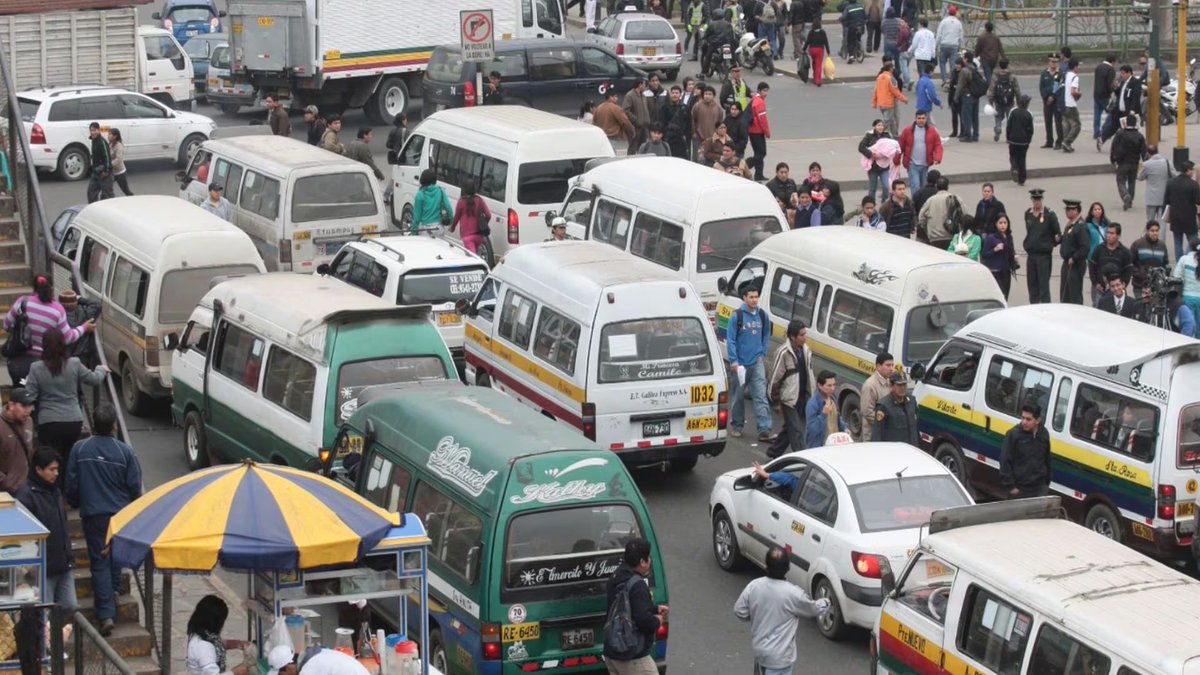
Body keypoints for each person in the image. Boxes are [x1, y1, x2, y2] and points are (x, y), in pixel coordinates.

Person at [65, 404, 142, 637]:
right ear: (113, 426)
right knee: (116, 556)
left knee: (99, 562)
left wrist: (77, 501)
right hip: (118, 515)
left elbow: (71, 483)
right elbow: (134, 487)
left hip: (94, 515)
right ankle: (115, 590)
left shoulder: (80, 449)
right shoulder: (124, 452)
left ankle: (106, 613)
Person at [733, 545, 829, 675]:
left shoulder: (754, 586)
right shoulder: (793, 594)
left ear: (767, 565)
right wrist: (826, 602)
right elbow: (812, 609)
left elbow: (739, 610)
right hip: (780, 660)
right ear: (787, 568)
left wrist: (756, 617)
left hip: (761, 655)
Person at [25, 327, 109, 471]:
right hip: (73, 420)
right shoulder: (74, 363)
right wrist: (101, 369)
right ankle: (67, 487)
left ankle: (53, 488)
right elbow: (95, 380)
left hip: (48, 421)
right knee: (69, 459)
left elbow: (29, 395)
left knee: (49, 461)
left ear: (43, 345)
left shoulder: (36, 368)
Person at [15, 448, 75, 617]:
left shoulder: (55, 491)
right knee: (44, 614)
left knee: (69, 605)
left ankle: (56, 639)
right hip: (42, 568)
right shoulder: (26, 496)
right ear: (38, 470)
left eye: (57, 469)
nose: (56, 474)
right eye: (51, 469)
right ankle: (47, 642)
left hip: (63, 564)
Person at [4, 275, 94, 386]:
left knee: (21, 395)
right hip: (43, 365)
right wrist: (84, 328)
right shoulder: (57, 310)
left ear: (34, 287)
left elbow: (6, 325)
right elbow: (68, 338)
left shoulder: (22, 302)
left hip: (17, 362)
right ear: (51, 288)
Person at [604, 538, 667, 675]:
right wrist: (657, 620)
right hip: (632, 657)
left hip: (612, 653)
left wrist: (654, 609)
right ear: (642, 562)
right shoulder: (637, 585)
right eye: (649, 557)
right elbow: (644, 621)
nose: (650, 560)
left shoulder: (615, 577)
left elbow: (626, 608)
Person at [727, 283, 774, 441]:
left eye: (756, 297)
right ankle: (737, 426)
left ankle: (764, 429)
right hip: (740, 366)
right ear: (744, 298)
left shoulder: (762, 316)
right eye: (751, 297)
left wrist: (762, 353)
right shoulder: (737, 316)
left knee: (760, 396)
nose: (754, 300)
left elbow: (766, 334)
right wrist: (734, 361)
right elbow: (731, 340)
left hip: (757, 363)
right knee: (738, 397)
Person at [768, 320, 816, 458]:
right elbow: (774, 380)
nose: (804, 337)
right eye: (801, 335)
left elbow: (809, 373)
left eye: (805, 334)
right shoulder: (783, 353)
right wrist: (776, 402)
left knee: (789, 429)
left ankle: (773, 452)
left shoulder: (806, 350)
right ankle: (802, 460)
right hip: (789, 399)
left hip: (803, 396)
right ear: (792, 337)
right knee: (797, 431)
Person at [186, 595, 251, 675]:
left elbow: (216, 644)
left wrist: (236, 644)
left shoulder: (200, 633)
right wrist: (235, 672)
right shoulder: (203, 647)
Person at [1000, 403, 1052, 499]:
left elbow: (1047, 459)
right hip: (1020, 489)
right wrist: (1011, 487)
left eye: (1028, 419)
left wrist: (1046, 483)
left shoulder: (1044, 434)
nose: (1024, 422)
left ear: (1037, 420)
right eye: (1023, 418)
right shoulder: (1013, 435)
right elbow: (1005, 461)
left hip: (1039, 488)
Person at [1023, 188, 1061, 303]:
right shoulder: (1028, 214)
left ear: (1042, 199)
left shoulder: (1050, 214)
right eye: (1034, 199)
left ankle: (1045, 309)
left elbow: (1057, 233)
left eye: (1038, 199)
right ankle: (1033, 307)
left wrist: (1055, 240)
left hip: (1043, 256)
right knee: (1032, 285)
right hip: (1031, 255)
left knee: (1043, 286)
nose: (1036, 202)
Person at [898, 109, 942, 193]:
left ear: (926, 119)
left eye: (923, 118)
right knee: (915, 186)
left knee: (924, 187)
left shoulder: (932, 131)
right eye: (919, 118)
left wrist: (938, 157)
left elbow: (938, 145)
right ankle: (915, 205)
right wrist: (897, 160)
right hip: (912, 164)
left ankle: (922, 204)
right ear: (915, 119)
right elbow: (900, 146)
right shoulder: (908, 130)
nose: (921, 120)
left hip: (925, 164)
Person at [0, 389, 34, 495]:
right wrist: (7, 483)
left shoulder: (29, 422)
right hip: (6, 490)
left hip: (27, 487)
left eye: (30, 405)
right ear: (11, 405)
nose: (28, 410)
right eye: (23, 406)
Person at [1164, 160, 1200, 261]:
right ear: (1188, 170)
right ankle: (1187, 257)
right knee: (1194, 240)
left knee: (1177, 242)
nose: (1193, 172)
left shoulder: (1171, 182)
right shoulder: (1193, 185)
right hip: (1189, 217)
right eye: (1192, 169)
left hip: (1175, 217)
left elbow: (1166, 200)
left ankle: (1179, 262)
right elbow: (1198, 201)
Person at [1110, 115, 1147, 211]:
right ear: (1135, 123)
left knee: (1120, 181)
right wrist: (1145, 163)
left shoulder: (1120, 134)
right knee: (1132, 181)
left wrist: (1113, 158)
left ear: (1126, 122)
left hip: (1122, 162)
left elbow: (1114, 146)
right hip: (1134, 163)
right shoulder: (1139, 136)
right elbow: (1144, 151)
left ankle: (1125, 195)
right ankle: (1130, 200)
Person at [872, 372, 918, 445]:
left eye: (904, 384)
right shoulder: (883, 406)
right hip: (893, 451)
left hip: (911, 449)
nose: (903, 388)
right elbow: (877, 433)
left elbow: (915, 427)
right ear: (891, 386)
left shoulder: (912, 401)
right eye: (899, 385)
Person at [804, 370, 846, 448]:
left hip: (834, 444)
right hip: (820, 447)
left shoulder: (833, 399)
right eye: (829, 385)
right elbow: (811, 430)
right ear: (820, 386)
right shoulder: (812, 404)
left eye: (834, 385)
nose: (833, 388)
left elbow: (837, 417)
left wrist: (845, 428)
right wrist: (823, 414)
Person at [1089, 222, 1133, 294]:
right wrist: (1096, 284)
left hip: (1118, 290)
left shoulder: (1125, 252)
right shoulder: (1099, 249)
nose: (1108, 235)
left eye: (1112, 233)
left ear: (1118, 236)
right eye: (1108, 233)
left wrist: (1123, 284)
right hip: (1100, 290)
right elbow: (1092, 266)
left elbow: (1128, 271)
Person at [1058, 199, 1089, 305]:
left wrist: (1074, 257)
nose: (1067, 212)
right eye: (1067, 209)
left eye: (1069, 210)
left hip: (1075, 264)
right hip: (1067, 262)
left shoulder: (1081, 226)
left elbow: (1084, 247)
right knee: (1065, 293)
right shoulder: (1071, 224)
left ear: (1076, 210)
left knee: (1074, 294)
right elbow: (1070, 240)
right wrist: (1061, 238)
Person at [449, 183, 492, 255]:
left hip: (467, 236)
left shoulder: (461, 202)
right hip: (479, 235)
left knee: (472, 258)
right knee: (476, 255)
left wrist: (452, 228)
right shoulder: (479, 200)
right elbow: (488, 215)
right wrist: (484, 224)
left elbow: (456, 218)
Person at [859, 352, 894, 442]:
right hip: (873, 436)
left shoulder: (890, 381)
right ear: (878, 366)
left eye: (892, 365)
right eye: (888, 365)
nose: (891, 368)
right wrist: (884, 423)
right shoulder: (870, 385)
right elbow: (867, 412)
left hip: (887, 434)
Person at [916, 175, 959, 248]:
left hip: (935, 237)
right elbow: (964, 214)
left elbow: (921, 218)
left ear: (936, 186)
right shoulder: (955, 198)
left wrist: (927, 230)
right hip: (952, 236)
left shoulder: (930, 200)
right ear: (947, 186)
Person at [982, 213, 1017, 299]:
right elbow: (984, 254)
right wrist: (995, 250)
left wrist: (1014, 257)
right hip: (995, 271)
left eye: (1005, 223)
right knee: (999, 295)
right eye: (1000, 223)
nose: (1003, 225)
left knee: (1005, 295)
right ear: (996, 224)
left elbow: (1011, 250)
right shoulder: (991, 237)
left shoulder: (1009, 237)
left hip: (1006, 271)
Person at [1130, 220, 1170, 296]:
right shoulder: (1137, 244)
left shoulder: (1162, 246)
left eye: (1157, 231)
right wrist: (1140, 274)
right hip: (1139, 285)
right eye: (1152, 231)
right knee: (1140, 306)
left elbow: (1165, 264)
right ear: (1147, 231)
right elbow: (1130, 264)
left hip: (1156, 286)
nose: (1155, 233)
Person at [858, 120, 893, 204]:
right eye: (878, 125)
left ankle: (884, 203)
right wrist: (870, 154)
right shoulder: (869, 136)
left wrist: (886, 154)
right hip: (873, 167)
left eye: (882, 125)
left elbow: (891, 148)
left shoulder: (887, 136)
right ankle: (871, 205)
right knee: (872, 188)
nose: (880, 127)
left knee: (886, 186)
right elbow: (861, 147)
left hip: (884, 166)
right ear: (874, 127)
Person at [986, 58, 1019, 144]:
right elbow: (1017, 89)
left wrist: (990, 101)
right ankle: (1009, 137)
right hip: (1010, 100)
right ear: (1008, 65)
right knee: (1010, 118)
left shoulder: (995, 76)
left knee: (998, 116)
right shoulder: (1012, 76)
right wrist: (1019, 101)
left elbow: (992, 89)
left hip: (998, 100)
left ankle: (998, 128)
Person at [953, 51, 983, 143]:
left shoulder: (964, 70)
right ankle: (976, 135)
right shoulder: (975, 69)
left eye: (963, 58)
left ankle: (967, 135)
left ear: (966, 59)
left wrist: (956, 97)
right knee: (975, 116)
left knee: (966, 116)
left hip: (967, 95)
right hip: (975, 95)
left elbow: (960, 85)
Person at [410, 169, 453, 235]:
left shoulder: (420, 194)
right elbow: (448, 208)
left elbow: (416, 217)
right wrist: (449, 219)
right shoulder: (440, 191)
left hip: (425, 230)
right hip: (438, 228)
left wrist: (414, 231)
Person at [872, 62, 907, 138]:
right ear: (890, 68)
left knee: (892, 121)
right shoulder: (891, 78)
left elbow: (875, 90)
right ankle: (877, 135)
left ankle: (895, 135)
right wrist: (904, 99)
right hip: (888, 103)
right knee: (887, 121)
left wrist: (874, 102)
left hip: (881, 103)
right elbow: (895, 91)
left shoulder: (879, 77)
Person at [1139, 144, 1173, 223]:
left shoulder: (1146, 164)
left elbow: (1140, 177)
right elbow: (1174, 175)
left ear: (1148, 153)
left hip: (1151, 197)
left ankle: (1151, 234)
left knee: (1150, 220)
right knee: (1162, 221)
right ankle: (1161, 235)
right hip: (1164, 196)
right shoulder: (1168, 163)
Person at [1005, 94, 1034, 186]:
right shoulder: (1029, 113)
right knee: (1022, 158)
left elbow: (1009, 126)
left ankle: (1014, 168)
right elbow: (1030, 129)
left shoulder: (1013, 111)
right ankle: (1022, 179)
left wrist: (1008, 137)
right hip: (1024, 141)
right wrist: (1029, 140)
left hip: (1013, 139)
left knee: (1013, 156)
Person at [595, 89, 636, 154]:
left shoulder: (598, 108)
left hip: (601, 138)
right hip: (613, 138)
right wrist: (632, 132)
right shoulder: (615, 108)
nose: (617, 98)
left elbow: (594, 123)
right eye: (616, 96)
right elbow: (625, 122)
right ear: (611, 97)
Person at [1038, 53, 1064, 149]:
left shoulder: (1061, 73)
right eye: (1052, 61)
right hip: (1047, 102)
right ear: (1049, 62)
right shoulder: (1044, 73)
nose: (1053, 63)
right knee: (1047, 122)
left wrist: (1053, 97)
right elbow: (1041, 87)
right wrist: (1046, 97)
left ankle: (1059, 141)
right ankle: (1049, 141)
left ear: (1058, 63)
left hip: (1057, 102)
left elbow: (1061, 88)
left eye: (1055, 62)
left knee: (1058, 123)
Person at [746, 83, 771, 181]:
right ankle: (745, 164)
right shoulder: (759, 102)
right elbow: (762, 119)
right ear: (759, 91)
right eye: (764, 91)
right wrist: (767, 132)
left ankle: (759, 174)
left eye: (767, 91)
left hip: (752, 130)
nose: (766, 93)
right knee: (761, 153)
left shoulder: (754, 100)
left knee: (758, 153)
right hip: (757, 131)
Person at [1093, 54, 1117, 148]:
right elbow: (1110, 84)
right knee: (1111, 114)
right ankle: (1105, 131)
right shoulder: (1110, 70)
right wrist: (1113, 93)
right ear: (1113, 61)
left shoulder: (1098, 67)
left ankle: (1096, 132)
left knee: (1097, 115)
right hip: (1105, 96)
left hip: (1096, 94)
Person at [1173, 238, 1200, 324]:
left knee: (1188, 326)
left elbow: (1176, 277)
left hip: (1187, 298)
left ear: (1190, 247)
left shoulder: (1184, 259)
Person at [86, 122, 113, 203]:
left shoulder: (102, 142)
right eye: (91, 130)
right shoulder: (93, 140)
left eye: (94, 130)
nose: (92, 132)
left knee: (107, 196)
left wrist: (106, 171)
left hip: (104, 173)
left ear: (98, 130)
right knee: (91, 193)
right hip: (96, 172)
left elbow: (107, 158)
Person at [934, 5, 962, 84]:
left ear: (948, 13)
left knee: (942, 62)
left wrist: (936, 45)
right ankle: (952, 78)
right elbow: (961, 35)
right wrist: (959, 44)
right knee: (953, 63)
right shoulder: (958, 22)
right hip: (954, 45)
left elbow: (939, 34)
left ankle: (944, 79)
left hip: (944, 44)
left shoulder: (944, 21)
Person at [624, 80, 652, 156]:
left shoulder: (643, 96)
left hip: (644, 127)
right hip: (635, 127)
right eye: (644, 85)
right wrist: (635, 120)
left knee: (643, 148)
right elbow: (626, 110)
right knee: (633, 148)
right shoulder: (630, 95)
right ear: (640, 85)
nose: (645, 87)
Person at [1060, 57, 1082, 153]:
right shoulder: (1075, 77)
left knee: (1066, 125)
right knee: (1077, 125)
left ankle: (1065, 143)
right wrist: (1079, 94)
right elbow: (1073, 91)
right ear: (1075, 67)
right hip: (1071, 104)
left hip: (1063, 103)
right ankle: (1067, 141)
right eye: (1078, 66)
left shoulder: (1066, 75)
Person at [803, 19, 830, 87]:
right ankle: (818, 80)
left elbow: (807, 41)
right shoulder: (822, 32)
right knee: (818, 65)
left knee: (814, 63)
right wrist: (828, 51)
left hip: (812, 49)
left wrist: (803, 49)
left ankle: (814, 77)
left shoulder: (811, 32)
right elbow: (826, 42)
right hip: (819, 49)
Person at [108, 128, 133, 196]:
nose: (108, 136)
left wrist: (109, 165)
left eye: (110, 134)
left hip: (120, 173)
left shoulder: (119, 146)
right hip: (111, 172)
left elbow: (119, 159)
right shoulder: (110, 144)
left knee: (126, 190)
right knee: (107, 189)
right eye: (108, 134)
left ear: (115, 136)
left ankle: (133, 200)